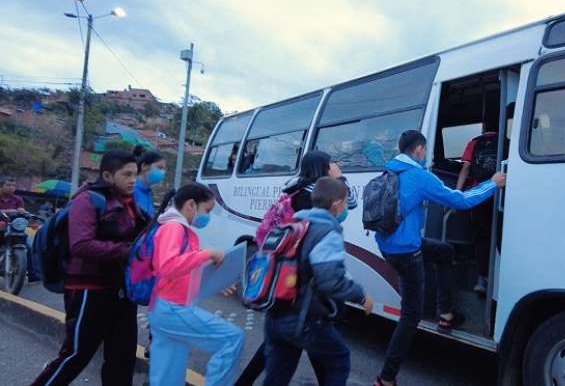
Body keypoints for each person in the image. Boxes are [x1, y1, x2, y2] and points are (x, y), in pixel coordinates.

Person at [374, 130, 506, 386]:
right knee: (410, 317)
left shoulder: (390, 170)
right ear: (420, 150)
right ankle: (386, 378)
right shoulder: (419, 176)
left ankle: (445, 312)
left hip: (388, 244)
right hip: (405, 252)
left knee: (445, 251)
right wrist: (493, 183)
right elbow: (462, 201)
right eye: (425, 151)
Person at [236, 150, 357, 385]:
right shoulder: (316, 193)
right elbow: (350, 202)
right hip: (302, 283)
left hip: (285, 276)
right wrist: (340, 177)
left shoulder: (294, 188)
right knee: (328, 350)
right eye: (330, 162)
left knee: (281, 348)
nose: (334, 165)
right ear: (324, 167)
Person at [31, 150, 149, 386]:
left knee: (122, 359)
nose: (132, 180)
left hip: (121, 290)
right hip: (88, 289)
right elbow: (82, 245)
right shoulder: (87, 200)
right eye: (126, 174)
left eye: (135, 174)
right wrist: (128, 251)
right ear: (107, 175)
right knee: (76, 355)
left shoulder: (131, 205)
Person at [263, 177, 374, 386]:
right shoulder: (326, 232)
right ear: (337, 204)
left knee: (277, 376)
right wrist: (361, 297)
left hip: (276, 314)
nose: (345, 209)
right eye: (345, 203)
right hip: (303, 320)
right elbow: (330, 280)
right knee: (339, 360)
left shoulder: (295, 225)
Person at [149, 182, 246, 386]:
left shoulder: (178, 228)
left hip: (166, 307)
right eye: (207, 210)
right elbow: (168, 266)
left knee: (168, 376)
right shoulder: (174, 227)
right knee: (232, 339)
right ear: (191, 205)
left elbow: (182, 272)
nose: (207, 216)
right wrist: (207, 253)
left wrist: (215, 282)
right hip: (172, 308)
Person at [455, 110, 511, 294]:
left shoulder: (475, 142)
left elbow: (465, 169)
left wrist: (457, 193)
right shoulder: (508, 143)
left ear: (484, 127)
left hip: (479, 196)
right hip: (502, 195)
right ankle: (503, 279)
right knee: (502, 237)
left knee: (481, 238)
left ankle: (482, 280)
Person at [132, 146, 167, 218]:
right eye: (159, 168)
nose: (163, 172)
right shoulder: (132, 190)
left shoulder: (147, 191)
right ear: (144, 166)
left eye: (164, 169)